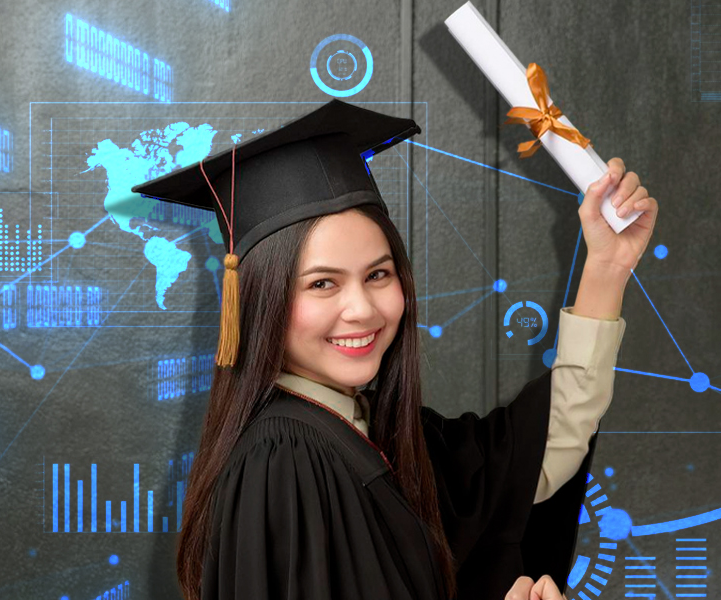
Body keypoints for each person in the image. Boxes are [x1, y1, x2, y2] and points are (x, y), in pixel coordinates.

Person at [133, 100, 657, 600]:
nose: (362, 309)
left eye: (378, 274)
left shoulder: (374, 429)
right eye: (322, 284)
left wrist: (606, 270)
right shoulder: (286, 460)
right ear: (259, 301)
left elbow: (534, 457)